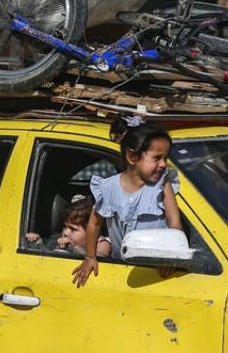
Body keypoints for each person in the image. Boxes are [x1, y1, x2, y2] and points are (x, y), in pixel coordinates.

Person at [72, 118, 182, 287]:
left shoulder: (162, 184)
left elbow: (174, 222)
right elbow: (95, 223)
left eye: (165, 158)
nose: (163, 164)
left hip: (156, 271)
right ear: (132, 156)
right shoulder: (108, 187)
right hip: (121, 270)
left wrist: (171, 256)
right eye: (157, 158)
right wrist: (90, 257)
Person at [24, 194, 111, 257]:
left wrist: (75, 248)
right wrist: (38, 244)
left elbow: (99, 259)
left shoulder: (102, 243)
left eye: (73, 229)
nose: (65, 232)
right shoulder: (60, 240)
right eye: (65, 227)